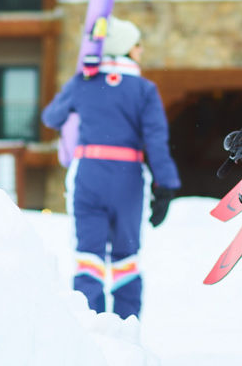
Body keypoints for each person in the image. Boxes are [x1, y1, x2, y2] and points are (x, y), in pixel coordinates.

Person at [41, 16, 180, 319]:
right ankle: (126, 326)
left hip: (89, 174)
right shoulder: (144, 90)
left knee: (88, 255)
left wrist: (81, 91)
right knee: (125, 257)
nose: (141, 50)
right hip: (127, 179)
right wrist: (165, 186)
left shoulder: (84, 83)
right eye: (138, 44)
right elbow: (156, 141)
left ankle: (92, 325)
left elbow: (51, 117)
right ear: (128, 49)